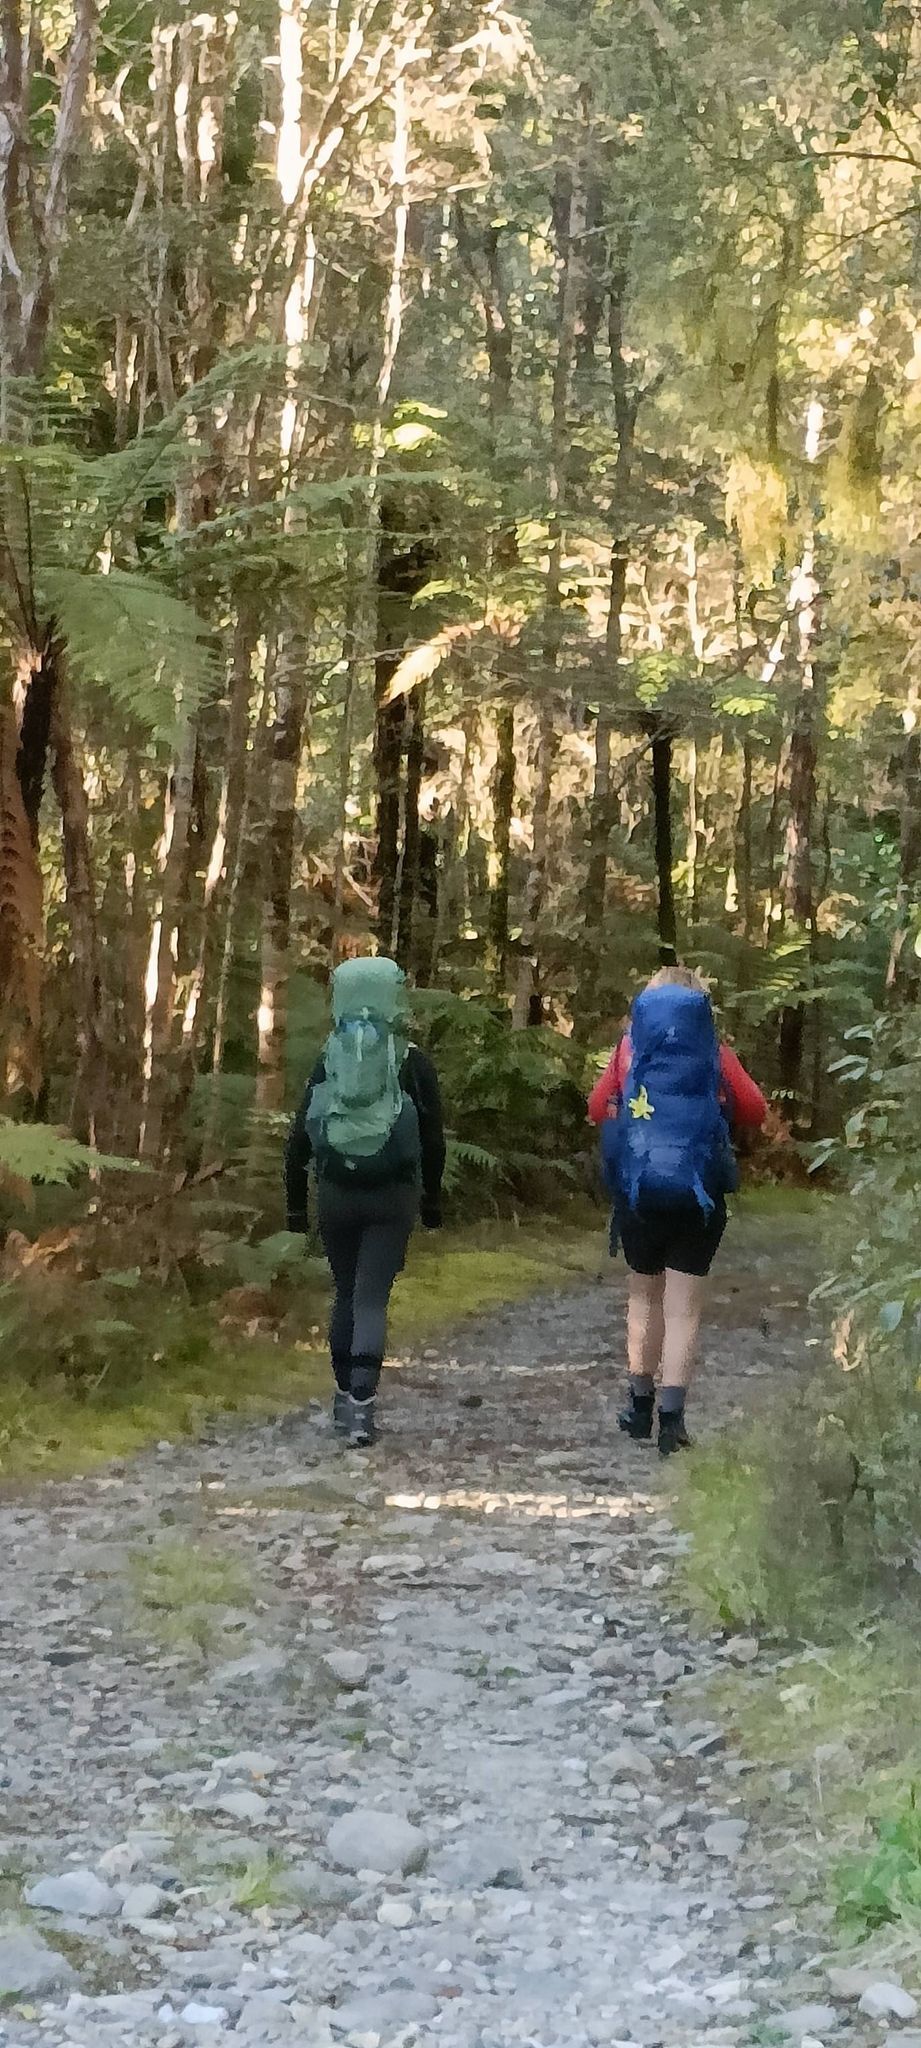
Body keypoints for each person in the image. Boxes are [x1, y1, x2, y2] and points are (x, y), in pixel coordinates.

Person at [588, 966, 766, 1457]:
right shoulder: (713, 1053)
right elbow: (755, 1109)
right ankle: (672, 1422)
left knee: (644, 1297)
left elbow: (598, 1105)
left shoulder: (630, 1050)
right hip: (699, 1190)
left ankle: (638, 1406)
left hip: (640, 1191)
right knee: (683, 1305)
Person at [285, 955, 445, 1448]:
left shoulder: (327, 1057)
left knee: (345, 1291)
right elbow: (434, 1138)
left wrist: (294, 1208)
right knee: (372, 1295)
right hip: (392, 1197)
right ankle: (362, 1408)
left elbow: (298, 1139)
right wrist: (433, 1201)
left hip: (335, 1195)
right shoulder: (411, 1059)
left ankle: (340, 1400)